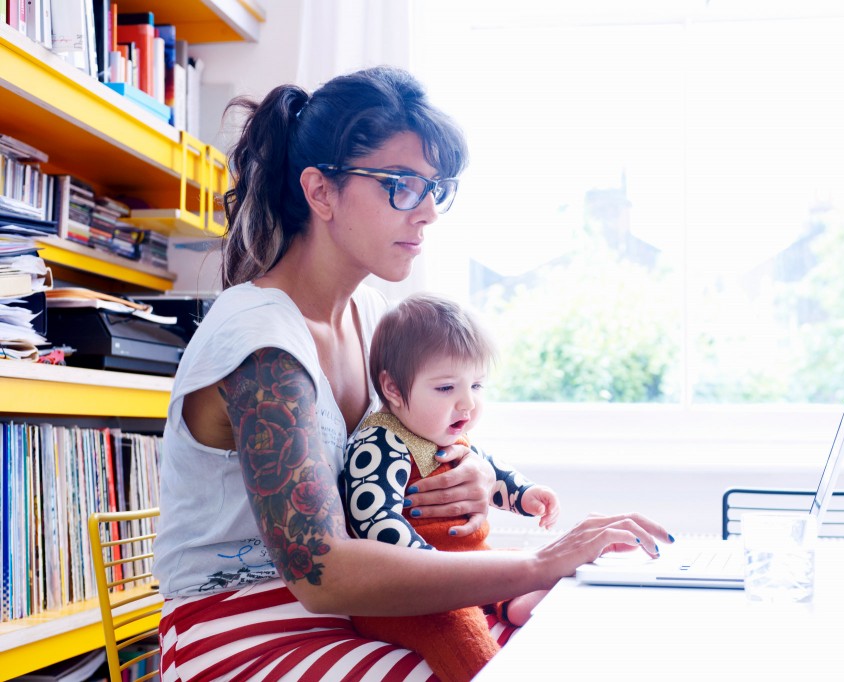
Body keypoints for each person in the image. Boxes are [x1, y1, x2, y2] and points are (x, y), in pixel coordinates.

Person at [152, 65, 672, 681]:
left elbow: (413, 449)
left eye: (435, 188)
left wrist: (470, 475)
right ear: (321, 192)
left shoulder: (375, 317)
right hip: (242, 625)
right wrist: (540, 562)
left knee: (577, 645)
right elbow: (320, 572)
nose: (427, 212)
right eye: (400, 184)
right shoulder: (262, 342)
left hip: (365, 608)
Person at [342, 293, 559, 681]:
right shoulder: (381, 443)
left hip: (465, 565)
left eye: (476, 385)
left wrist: (526, 495)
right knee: (457, 627)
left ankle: (512, 604)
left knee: (530, 566)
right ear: (393, 389)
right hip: (410, 594)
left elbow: (492, 472)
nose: (468, 403)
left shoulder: (445, 432)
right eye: (446, 388)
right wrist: (438, 570)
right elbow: (373, 521)